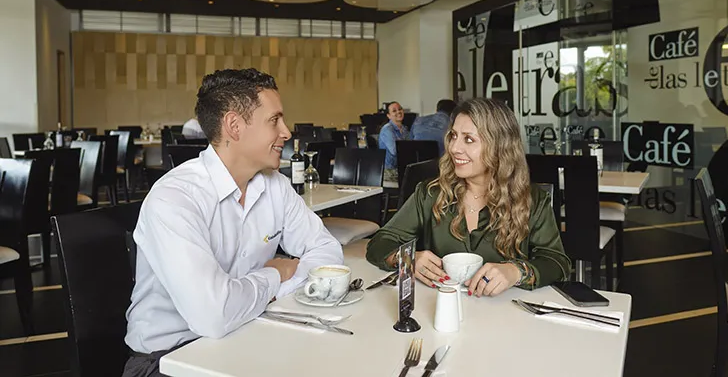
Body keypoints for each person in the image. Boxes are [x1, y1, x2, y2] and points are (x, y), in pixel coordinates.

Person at [123, 69, 343, 377]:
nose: (287, 132)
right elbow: (213, 315)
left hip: (248, 334)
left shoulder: (274, 185)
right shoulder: (174, 198)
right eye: (274, 120)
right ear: (235, 126)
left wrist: (277, 289)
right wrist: (273, 275)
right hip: (168, 359)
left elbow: (326, 249)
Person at [366, 98, 570, 297]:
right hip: (441, 316)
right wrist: (407, 258)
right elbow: (380, 243)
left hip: (506, 320)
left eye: (469, 139)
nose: (454, 148)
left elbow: (556, 262)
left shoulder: (532, 200)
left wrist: (515, 272)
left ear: (499, 146)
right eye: (453, 136)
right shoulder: (431, 194)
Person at [378, 101, 411, 180]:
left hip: (402, 168)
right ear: (388, 116)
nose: (398, 112)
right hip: (390, 171)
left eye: (400, 109)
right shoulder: (387, 130)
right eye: (394, 111)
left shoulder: (405, 129)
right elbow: (395, 151)